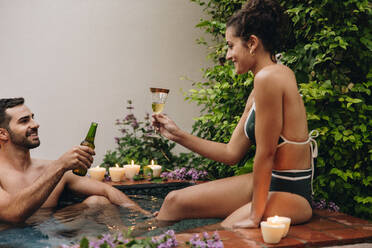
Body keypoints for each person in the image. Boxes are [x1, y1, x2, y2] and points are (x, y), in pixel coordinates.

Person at [152, 0, 318, 229]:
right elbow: (231, 153)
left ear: (252, 43)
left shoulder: (270, 78)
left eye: (231, 46)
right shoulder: (258, 89)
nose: (228, 55)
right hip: (268, 183)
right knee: (173, 201)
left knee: (217, 234)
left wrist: (254, 216)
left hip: (290, 192)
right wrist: (177, 134)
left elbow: (266, 154)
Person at [0, 97, 149, 224]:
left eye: (33, 117)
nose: (35, 124)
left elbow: (106, 190)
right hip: (11, 239)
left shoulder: (49, 168)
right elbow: (13, 214)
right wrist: (59, 165)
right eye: (24, 121)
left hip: (52, 234)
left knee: (98, 201)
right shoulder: (56, 168)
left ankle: (122, 240)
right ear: (3, 133)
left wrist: (144, 215)